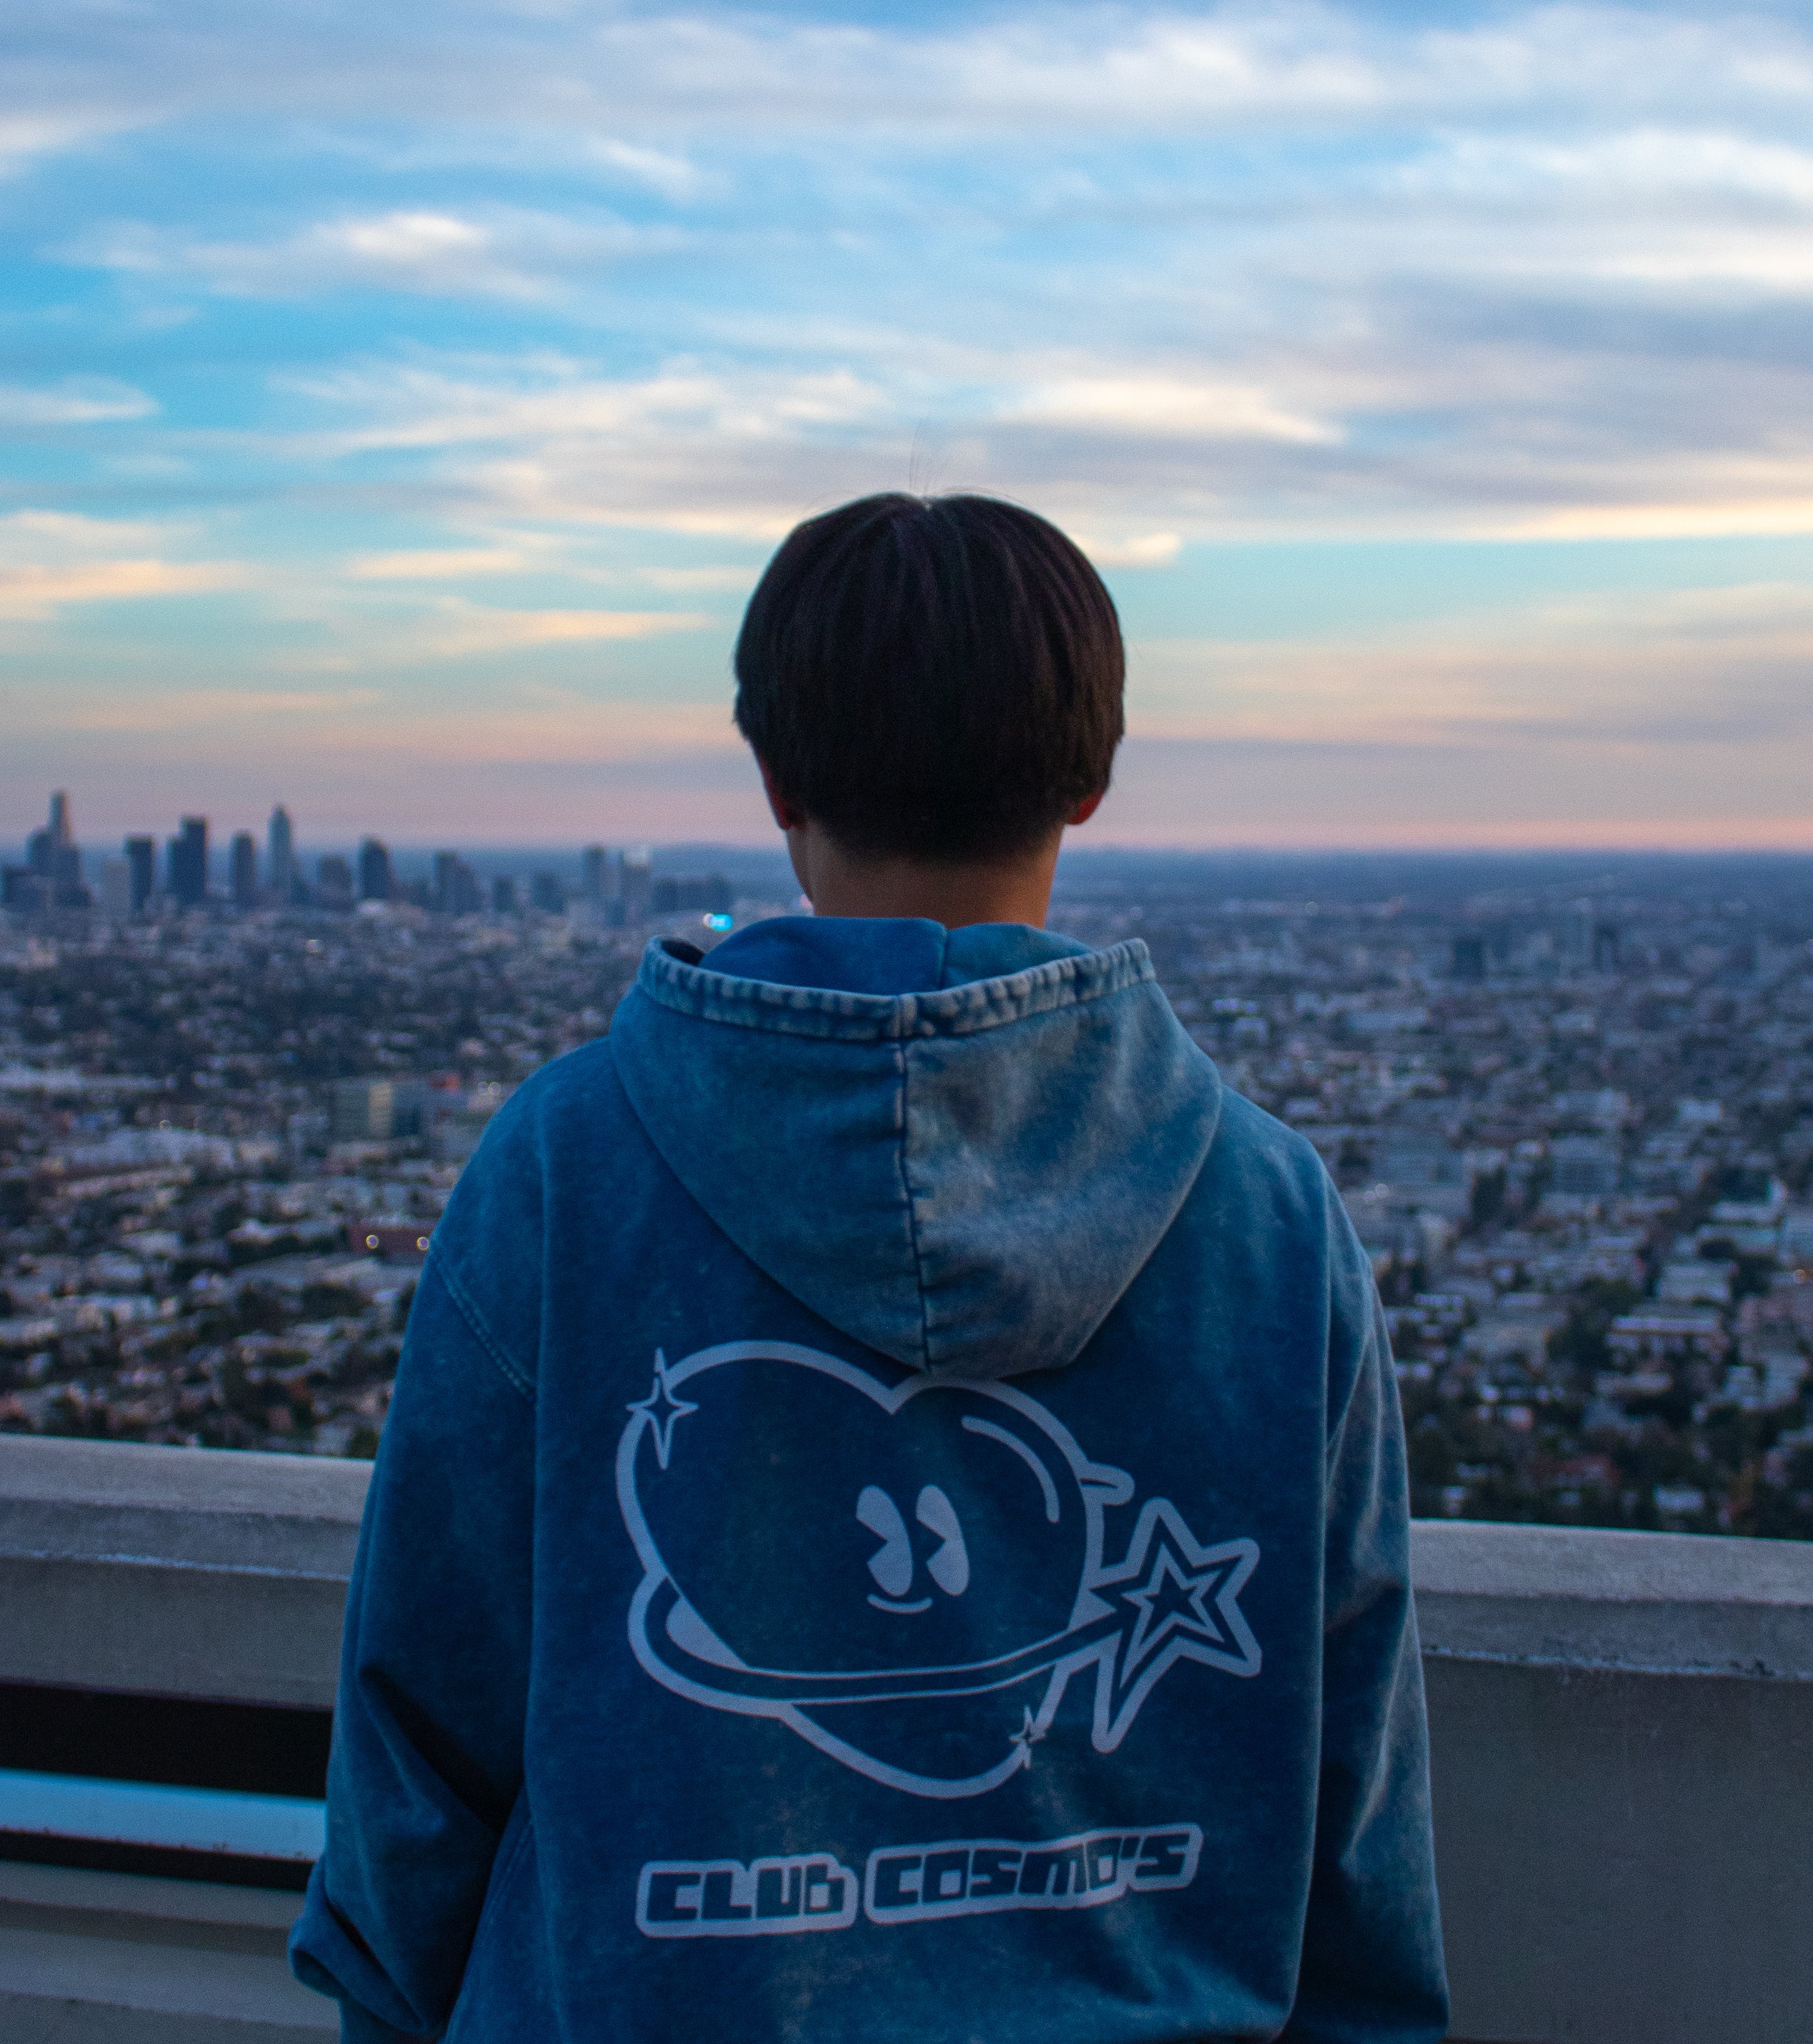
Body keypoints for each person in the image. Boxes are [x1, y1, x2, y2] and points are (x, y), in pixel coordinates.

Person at [289, 492, 1448, 2042]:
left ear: (771, 772)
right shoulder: (1264, 1214)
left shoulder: (563, 1172)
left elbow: (418, 1725)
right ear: (1092, 773)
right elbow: (1352, 1788)